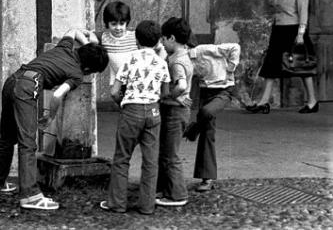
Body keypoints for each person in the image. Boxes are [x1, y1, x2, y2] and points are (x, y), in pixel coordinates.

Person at [0, 29, 109, 210]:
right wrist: (50, 117)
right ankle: (30, 195)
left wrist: (90, 42)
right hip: (27, 88)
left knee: (7, 137)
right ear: (89, 69)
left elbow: (72, 31)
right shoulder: (77, 75)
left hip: (13, 81)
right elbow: (57, 95)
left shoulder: (65, 47)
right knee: (28, 143)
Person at [100, 20, 170, 214]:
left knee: (122, 158)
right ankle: (147, 206)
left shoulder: (129, 60)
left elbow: (114, 91)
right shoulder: (162, 63)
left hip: (131, 111)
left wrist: (124, 102)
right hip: (154, 112)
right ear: (158, 41)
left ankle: (117, 204)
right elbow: (165, 93)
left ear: (136, 39)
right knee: (150, 161)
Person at [246, 0, 318, 114]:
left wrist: (300, 35)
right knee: (270, 66)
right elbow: (273, 4)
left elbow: (303, 13)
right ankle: (264, 101)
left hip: (294, 31)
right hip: (279, 30)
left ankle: (312, 101)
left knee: (302, 67)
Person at [183, 41, 241, 192]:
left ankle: (195, 127)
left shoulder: (204, 50)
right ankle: (206, 179)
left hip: (224, 91)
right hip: (205, 92)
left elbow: (235, 47)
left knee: (206, 113)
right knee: (207, 133)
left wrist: (231, 66)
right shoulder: (182, 60)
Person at [155, 17, 194, 207]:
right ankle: (166, 189)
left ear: (171, 38)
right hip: (176, 110)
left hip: (175, 111)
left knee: (171, 154)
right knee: (167, 152)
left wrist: (167, 96)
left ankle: (178, 194)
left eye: (164, 38)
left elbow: (182, 85)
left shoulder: (177, 61)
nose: (162, 42)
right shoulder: (182, 55)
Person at [92, 1, 138, 87]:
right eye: (113, 24)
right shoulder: (104, 37)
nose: (118, 28)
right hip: (117, 84)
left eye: (122, 24)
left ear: (127, 22)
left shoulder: (135, 36)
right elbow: (88, 34)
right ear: (107, 23)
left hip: (136, 81)